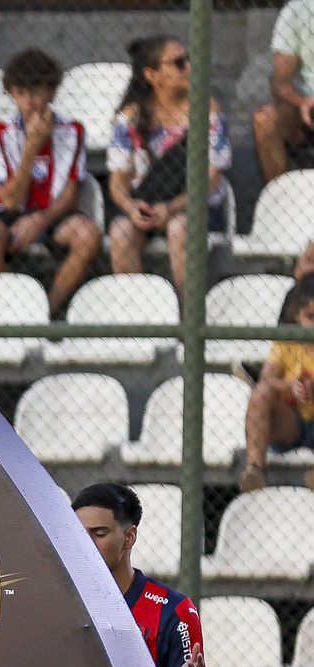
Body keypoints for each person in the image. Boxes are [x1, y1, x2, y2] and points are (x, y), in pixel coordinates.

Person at [70, 483, 213, 667]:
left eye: (98, 534)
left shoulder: (174, 610)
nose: (85, 544)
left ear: (129, 537)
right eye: (78, 534)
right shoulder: (59, 602)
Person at [0, 48, 101, 316]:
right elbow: (9, 200)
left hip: (53, 213)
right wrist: (31, 147)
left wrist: (40, 220)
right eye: (21, 93)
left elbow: (70, 195)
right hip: (12, 211)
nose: (29, 101)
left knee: (89, 235)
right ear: (11, 93)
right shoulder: (0, 131)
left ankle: (46, 314)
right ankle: (10, 312)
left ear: (51, 92)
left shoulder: (72, 130)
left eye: (36, 92)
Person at [106, 34, 229, 299]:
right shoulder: (131, 116)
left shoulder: (206, 109)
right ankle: (136, 315)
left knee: (179, 226)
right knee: (121, 231)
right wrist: (131, 207)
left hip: (197, 206)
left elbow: (212, 179)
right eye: (179, 63)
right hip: (147, 203)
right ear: (151, 74)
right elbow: (118, 181)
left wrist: (171, 207)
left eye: (188, 60)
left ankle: (187, 318)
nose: (189, 68)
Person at [241, 275, 314, 491]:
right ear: (297, 315)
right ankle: (255, 470)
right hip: (291, 423)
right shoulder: (286, 343)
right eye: (310, 316)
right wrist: (289, 386)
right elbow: (267, 379)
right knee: (261, 393)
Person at [252, 0, 314, 183]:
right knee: (265, 119)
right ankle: (279, 196)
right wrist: (303, 102)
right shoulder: (298, 10)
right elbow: (279, 83)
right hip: (308, 109)